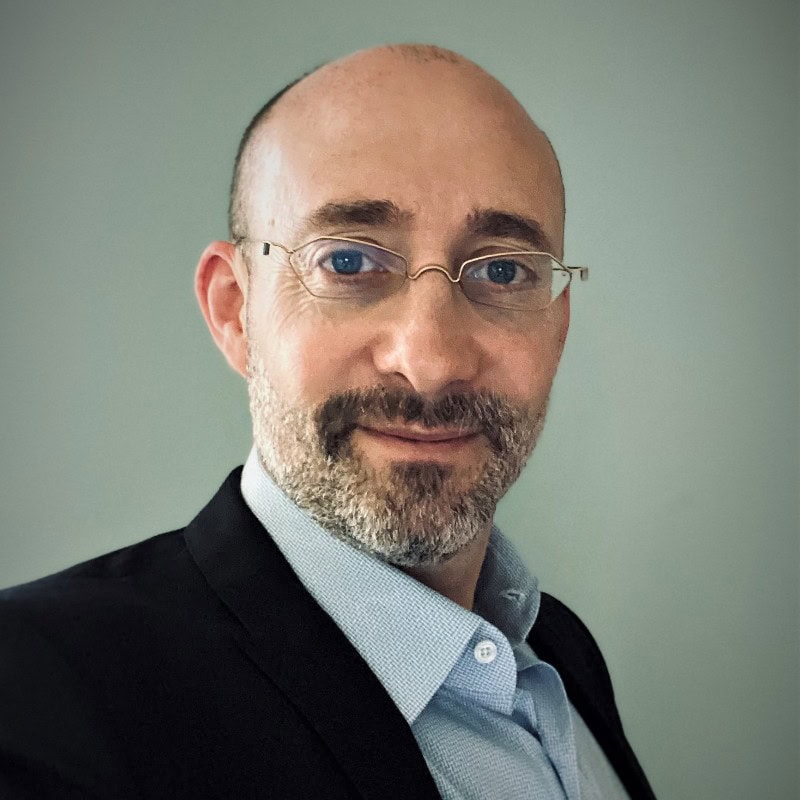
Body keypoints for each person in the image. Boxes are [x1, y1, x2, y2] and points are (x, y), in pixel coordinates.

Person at [0, 44, 656, 800]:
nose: (430, 361)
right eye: (348, 263)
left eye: (502, 270)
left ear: (557, 326)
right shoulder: (37, 696)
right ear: (235, 311)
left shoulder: (558, 653)